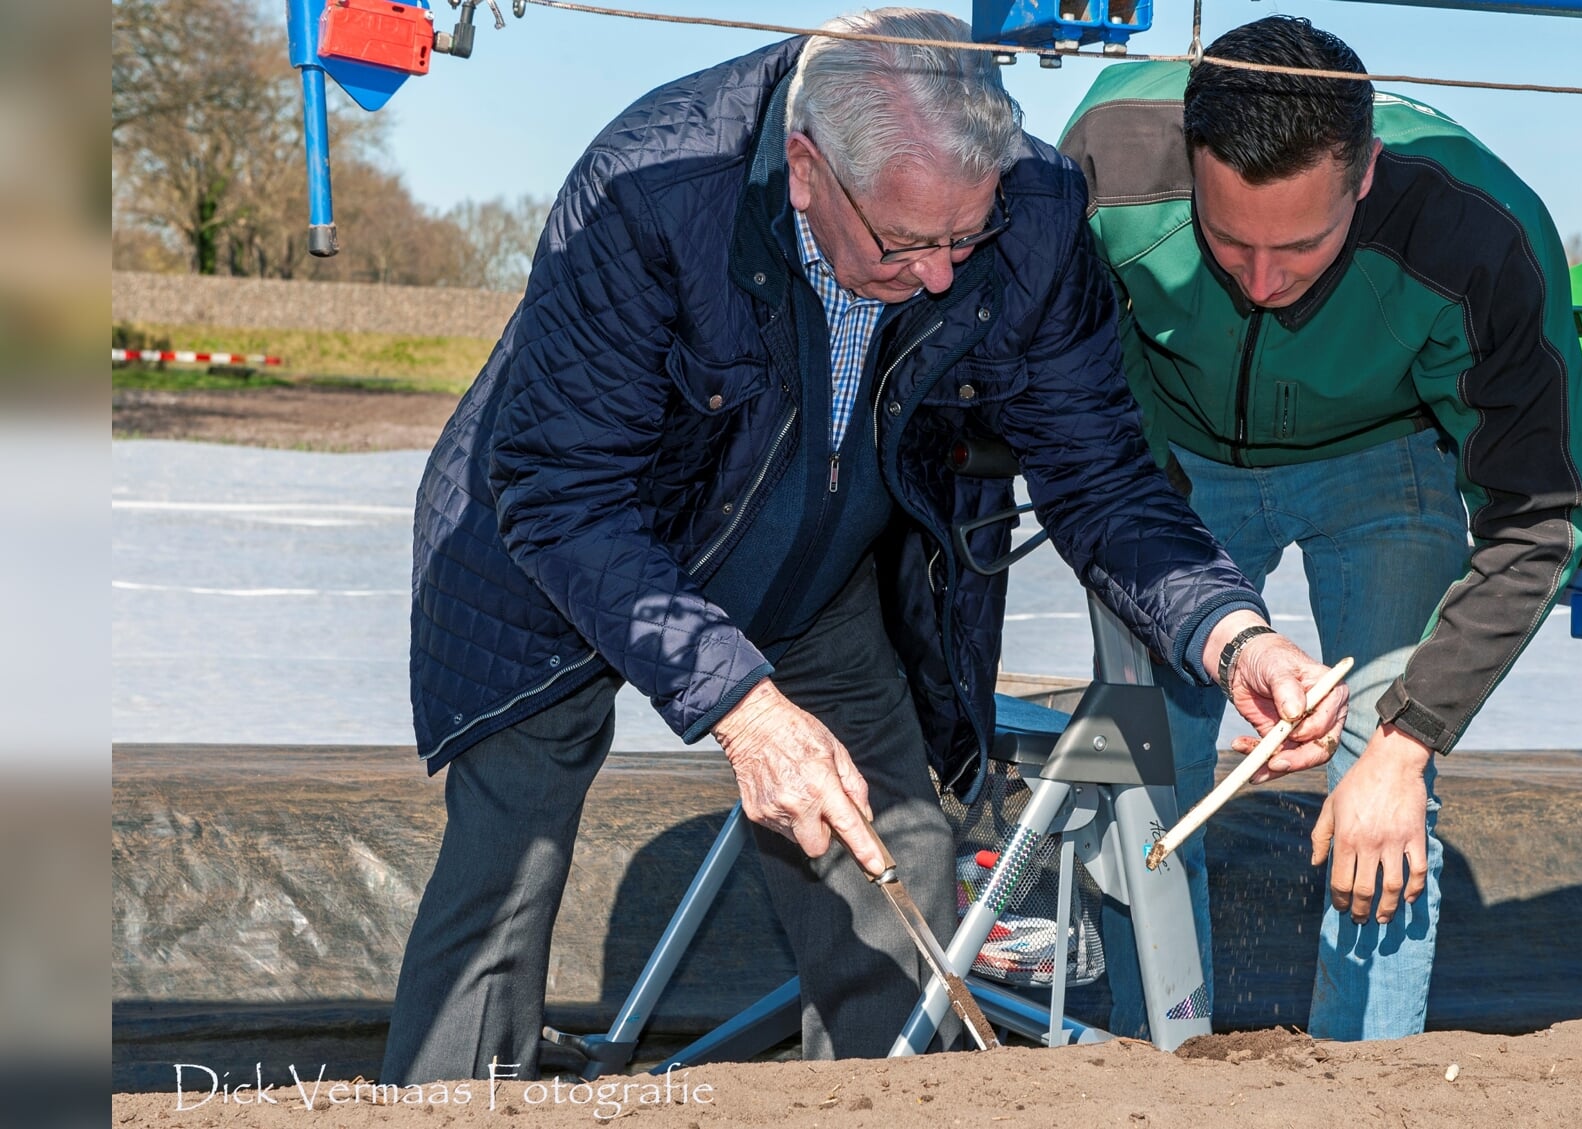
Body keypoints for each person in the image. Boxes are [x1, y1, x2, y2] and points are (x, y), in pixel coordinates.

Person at [383, 8, 1348, 1081]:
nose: (941, 275)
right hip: (563, 550)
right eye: (907, 243)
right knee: (504, 864)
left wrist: (1235, 636)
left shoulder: (1028, 215)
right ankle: (446, 1097)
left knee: (897, 856)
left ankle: (881, 1093)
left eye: (962, 240)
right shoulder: (655, 188)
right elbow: (560, 491)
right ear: (807, 170)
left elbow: (1102, 476)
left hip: (813, 562)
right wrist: (745, 711)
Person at [1060, 15, 1582, 1041]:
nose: (1261, 282)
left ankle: (1369, 1077)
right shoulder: (1103, 160)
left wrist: (1407, 740)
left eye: (1300, 246)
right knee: (1141, 774)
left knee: (1382, 783)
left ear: (1365, 179)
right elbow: (1066, 384)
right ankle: (1152, 1055)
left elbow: (1543, 512)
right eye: (1228, 241)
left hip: (1386, 460)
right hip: (1175, 464)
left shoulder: (1479, 230)